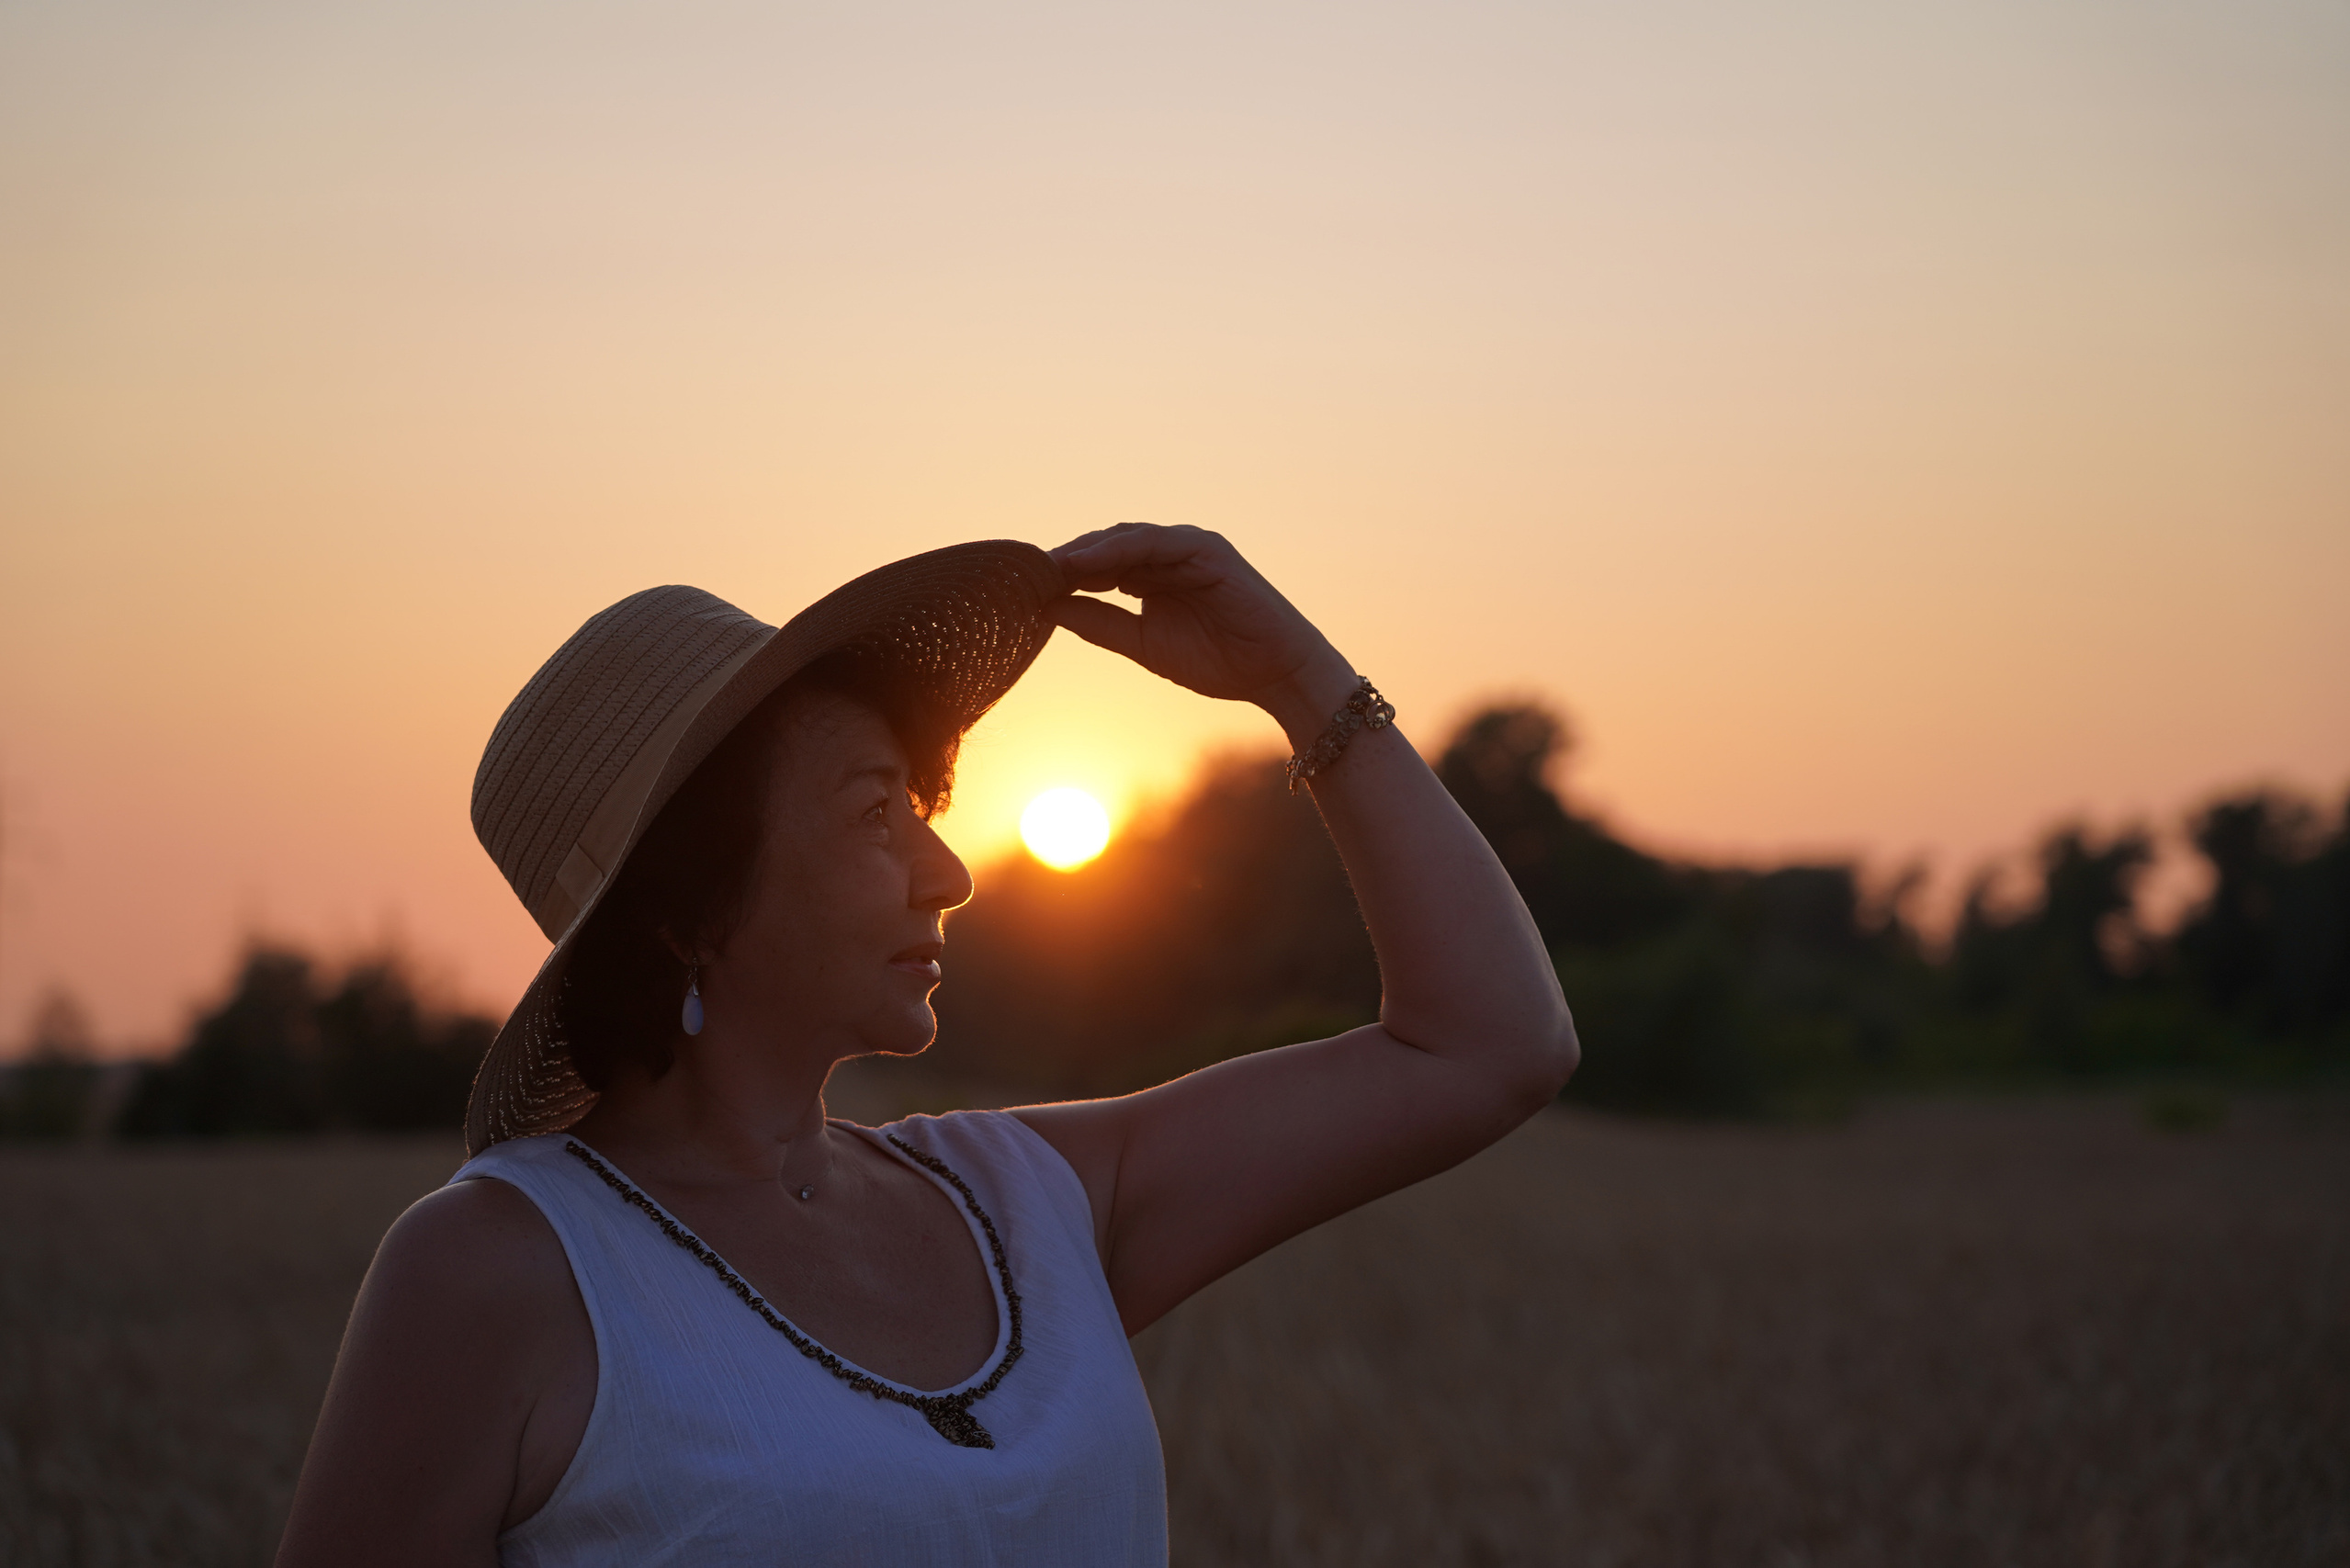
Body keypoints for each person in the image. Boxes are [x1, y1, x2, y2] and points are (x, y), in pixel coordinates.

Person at [274, 524, 1577, 1567]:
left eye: (921, 805)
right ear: (684, 906)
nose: (946, 873)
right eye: (871, 813)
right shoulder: (497, 1274)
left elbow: (1486, 1045)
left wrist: (1302, 683)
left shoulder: (1034, 1205)